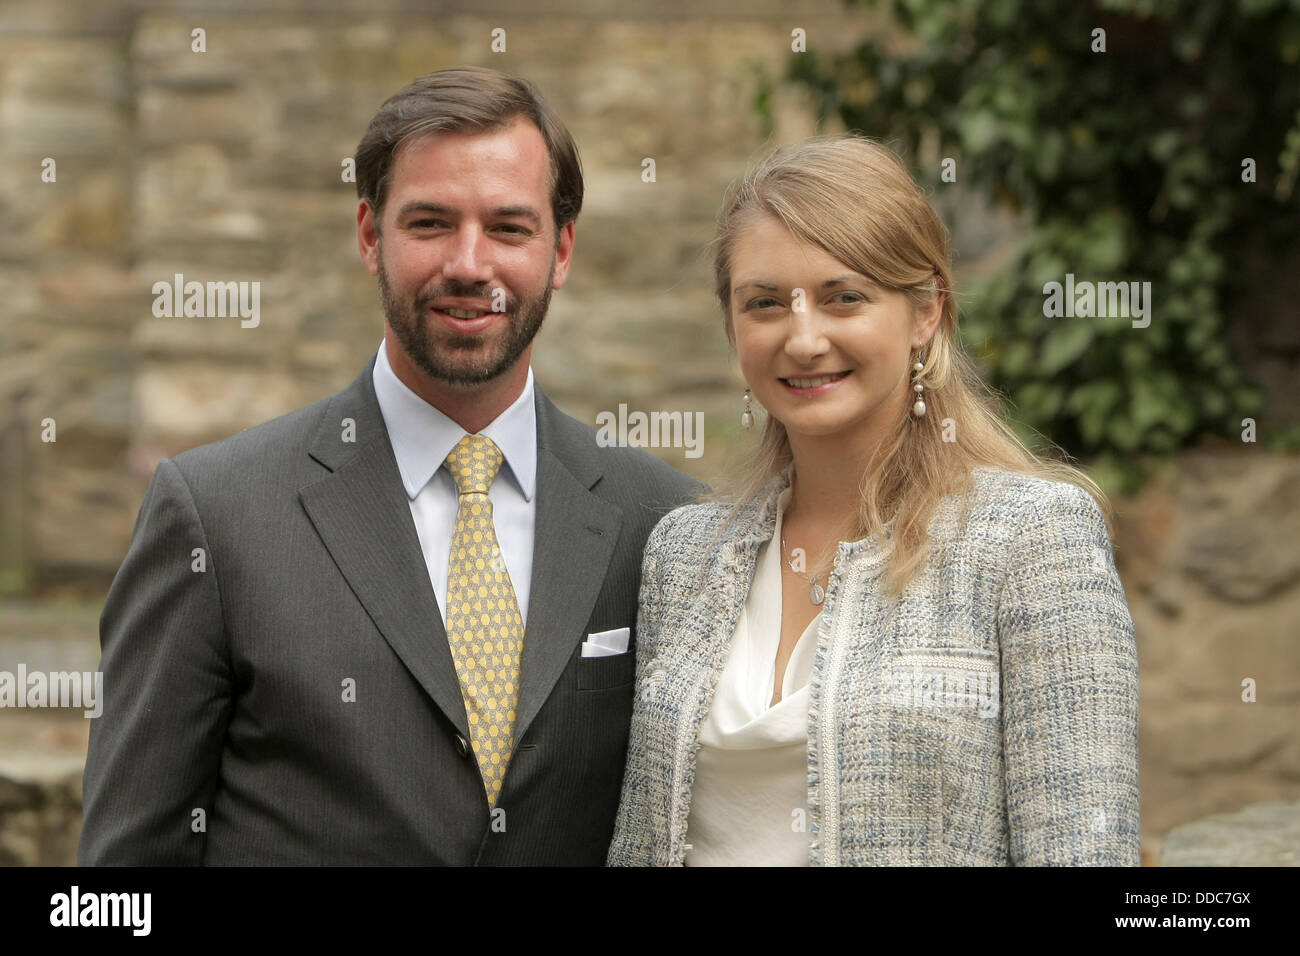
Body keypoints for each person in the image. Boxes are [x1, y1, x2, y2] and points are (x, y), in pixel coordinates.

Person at [79, 66, 700, 866]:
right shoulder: (215, 516)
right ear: (371, 235)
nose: (470, 263)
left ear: (561, 249)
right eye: (431, 223)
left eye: (509, 228)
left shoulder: (664, 524)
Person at [607, 134, 1141, 866]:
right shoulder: (682, 553)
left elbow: (1082, 851)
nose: (803, 339)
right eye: (764, 303)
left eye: (844, 297)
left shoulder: (1032, 539)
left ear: (926, 314)